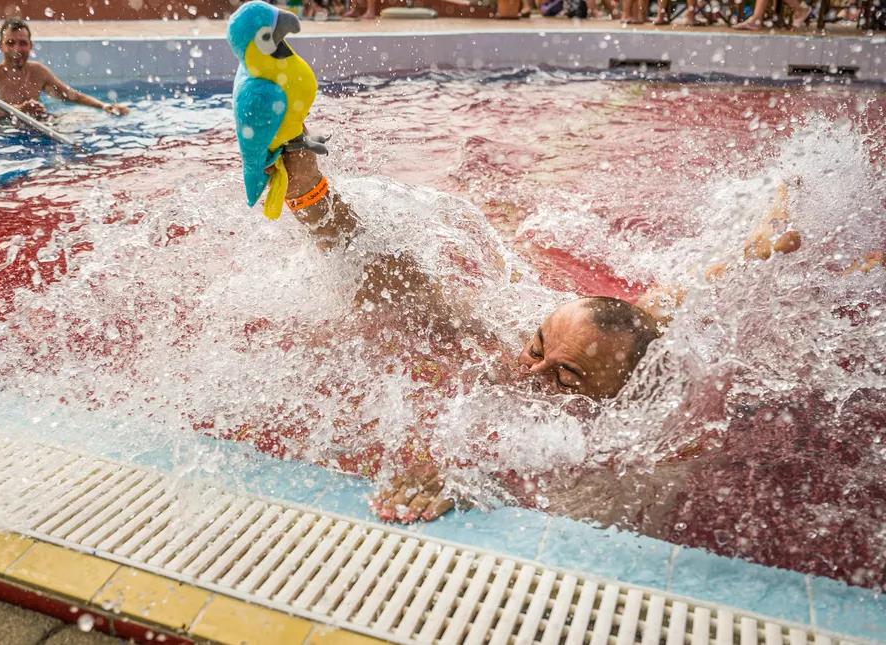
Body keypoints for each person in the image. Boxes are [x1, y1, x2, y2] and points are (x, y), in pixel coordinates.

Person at [269, 147, 803, 523]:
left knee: (689, 298)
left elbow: (596, 514)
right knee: (667, 299)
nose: (531, 375)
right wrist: (311, 194)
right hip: (637, 323)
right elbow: (404, 290)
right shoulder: (529, 342)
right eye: (538, 348)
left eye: (566, 375)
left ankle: (765, 240)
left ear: (622, 395)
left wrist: (477, 483)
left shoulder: (650, 430)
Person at [0, 19, 131, 123]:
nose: (17, 49)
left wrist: (104, 106)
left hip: (37, 128)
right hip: (2, 136)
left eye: (22, 43)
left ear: (30, 46)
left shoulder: (37, 72)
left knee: (87, 120)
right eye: (10, 43)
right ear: (0, 46)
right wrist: (19, 109)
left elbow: (70, 94)